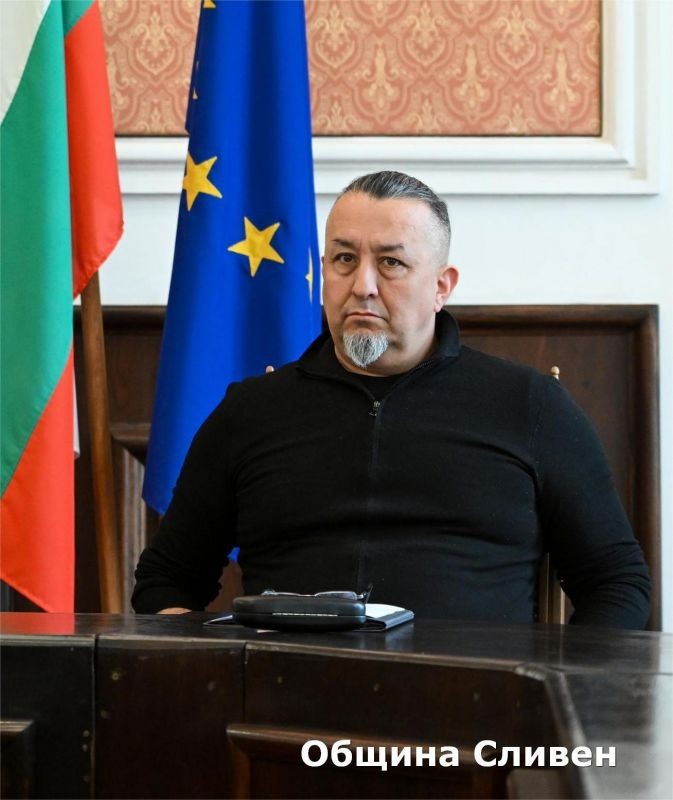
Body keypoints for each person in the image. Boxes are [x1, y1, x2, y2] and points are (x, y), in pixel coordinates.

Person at [133, 171, 651, 628]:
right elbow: (166, 581)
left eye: (391, 263)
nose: (363, 286)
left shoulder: (530, 407)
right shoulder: (251, 412)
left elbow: (617, 583)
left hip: (475, 699)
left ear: (442, 286)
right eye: (344, 259)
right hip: (285, 695)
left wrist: (557, 691)